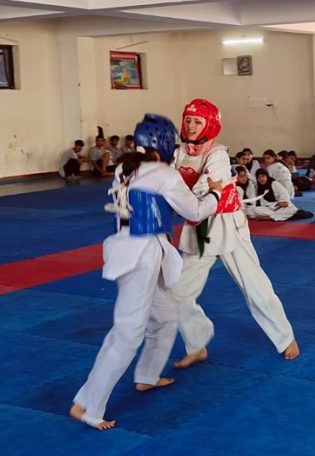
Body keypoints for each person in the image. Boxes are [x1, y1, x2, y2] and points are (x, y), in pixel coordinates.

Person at [70, 114, 222, 431]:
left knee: (165, 316)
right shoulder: (164, 173)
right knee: (127, 333)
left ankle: (147, 376)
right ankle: (88, 404)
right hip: (142, 254)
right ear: (164, 144)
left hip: (131, 248)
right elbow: (193, 211)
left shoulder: (126, 169)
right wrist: (215, 194)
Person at [171, 99, 299, 369]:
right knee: (178, 292)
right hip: (199, 228)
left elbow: (207, 190)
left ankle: (285, 337)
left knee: (253, 285)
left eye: (197, 121)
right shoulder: (178, 153)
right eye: (188, 120)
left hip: (227, 223)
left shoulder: (217, 154)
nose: (191, 125)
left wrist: (176, 194)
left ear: (209, 124)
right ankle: (196, 343)